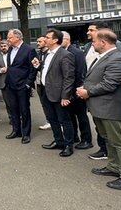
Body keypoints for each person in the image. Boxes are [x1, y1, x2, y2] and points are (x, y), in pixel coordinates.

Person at [76, 29, 121, 191]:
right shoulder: (105, 57)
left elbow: (109, 84)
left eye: (94, 41)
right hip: (101, 108)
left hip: (111, 108)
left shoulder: (118, 58)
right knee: (109, 139)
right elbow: (98, 78)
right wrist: (85, 86)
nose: (92, 43)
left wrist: (87, 92)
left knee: (119, 141)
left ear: (103, 42)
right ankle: (114, 167)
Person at [32, 29, 75, 157]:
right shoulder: (47, 54)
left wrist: (65, 95)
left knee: (64, 120)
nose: (45, 39)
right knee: (52, 119)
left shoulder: (65, 55)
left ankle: (68, 145)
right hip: (46, 91)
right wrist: (37, 65)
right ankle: (58, 141)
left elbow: (69, 77)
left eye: (48, 37)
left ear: (56, 40)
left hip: (59, 94)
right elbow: (48, 70)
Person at [4, 29, 37, 144]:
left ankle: (26, 133)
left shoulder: (29, 50)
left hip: (22, 86)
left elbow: (34, 68)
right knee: (13, 109)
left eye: (10, 37)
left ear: (18, 38)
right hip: (11, 85)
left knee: (24, 110)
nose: (8, 39)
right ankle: (16, 130)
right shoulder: (10, 50)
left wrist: (28, 83)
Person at [62, 31, 93, 150]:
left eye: (62, 39)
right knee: (70, 116)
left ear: (67, 39)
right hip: (68, 91)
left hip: (77, 90)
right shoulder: (64, 52)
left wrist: (78, 89)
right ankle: (74, 136)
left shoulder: (77, 53)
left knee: (81, 116)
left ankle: (86, 139)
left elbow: (80, 72)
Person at [35, 36, 51, 131]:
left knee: (51, 103)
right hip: (39, 82)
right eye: (37, 41)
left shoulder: (49, 53)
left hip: (48, 83)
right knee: (44, 103)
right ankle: (48, 121)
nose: (37, 43)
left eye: (40, 41)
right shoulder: (38, 53)